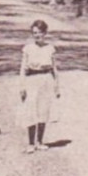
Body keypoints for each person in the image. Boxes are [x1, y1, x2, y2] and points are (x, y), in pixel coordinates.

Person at [19, 19, 61, 152]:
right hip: (32, 79)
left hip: (46, 80)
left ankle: (40, 141)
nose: (37, 35)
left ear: (45, 33)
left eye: (39, 33)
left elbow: (54, 68)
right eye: (34, 33)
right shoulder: (28, 49)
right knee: (31, 111)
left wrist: (57, 86)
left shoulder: (50, 48)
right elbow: (23, 69)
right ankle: (31, 143)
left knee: (43, 110)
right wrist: (22, 86)